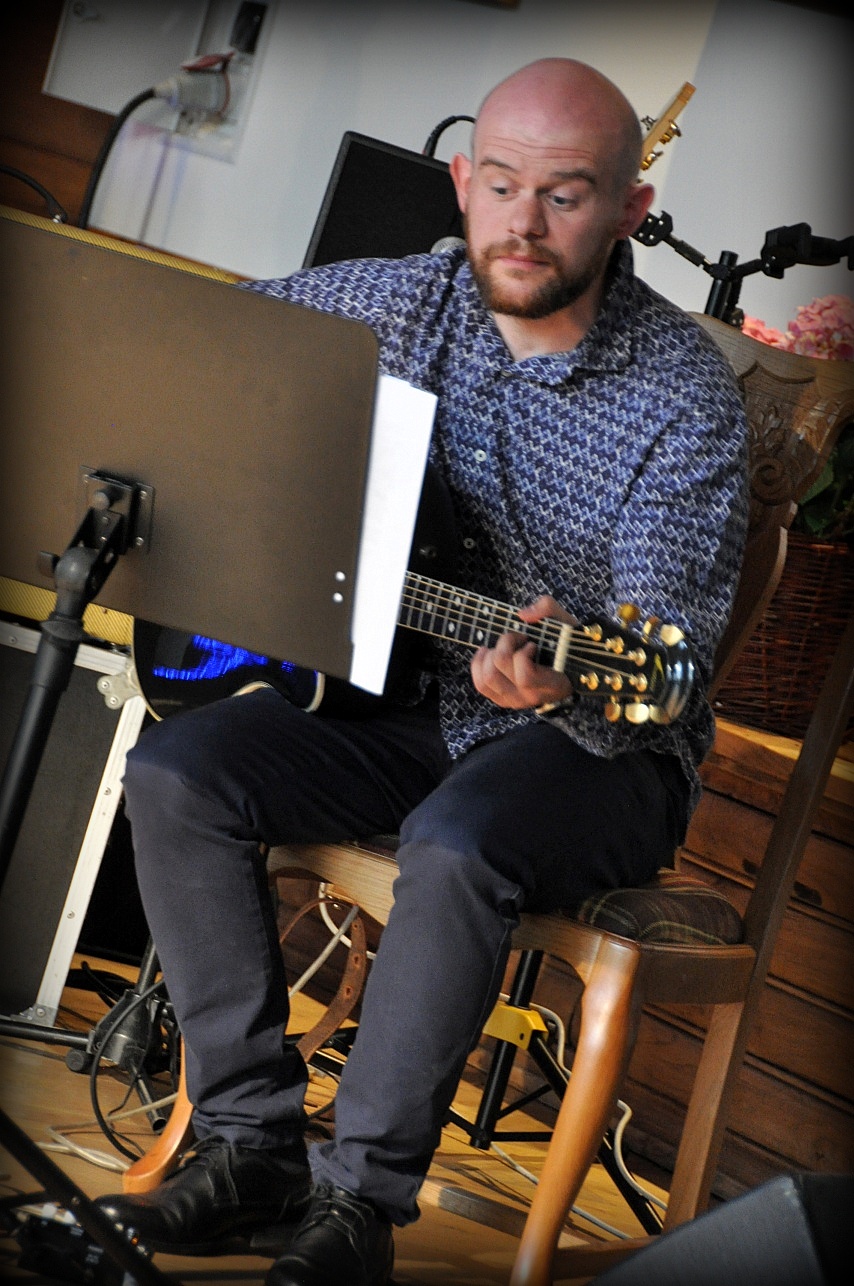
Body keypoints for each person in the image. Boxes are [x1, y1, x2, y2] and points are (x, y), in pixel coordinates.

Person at [96, 58, 748, 1286]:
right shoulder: (400, 300)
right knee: (179, 771)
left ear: (630, 209)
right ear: (460, 180)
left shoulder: (681, 398)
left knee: (455, 842)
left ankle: (356, 1204)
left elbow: (661, 655)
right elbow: (205, 350)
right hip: (398, 704)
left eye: (563, 195)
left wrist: (568, 678)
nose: (521, 221)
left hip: (596, 744)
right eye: (499, 184)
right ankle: (248, 1146)